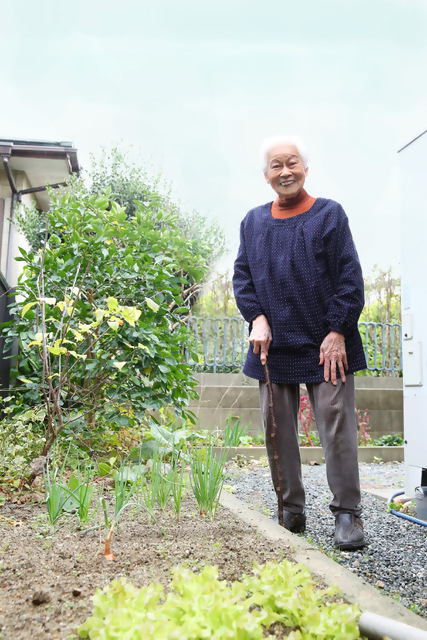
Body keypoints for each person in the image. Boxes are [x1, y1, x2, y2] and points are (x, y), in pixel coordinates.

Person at [232, 135, 367, 550]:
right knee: (277, 430)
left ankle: (348, 514)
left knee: (338, 428)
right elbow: (242, 278)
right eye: (276, 165)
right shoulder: (253, 222)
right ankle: (290, 510)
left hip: (326, 344)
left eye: (292, 163)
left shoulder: (329, 215)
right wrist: (256, 317)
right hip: (272, 347)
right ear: (266, 174)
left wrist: (337, 331)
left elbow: (349, 279)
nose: (285, 171)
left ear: (305, 169)